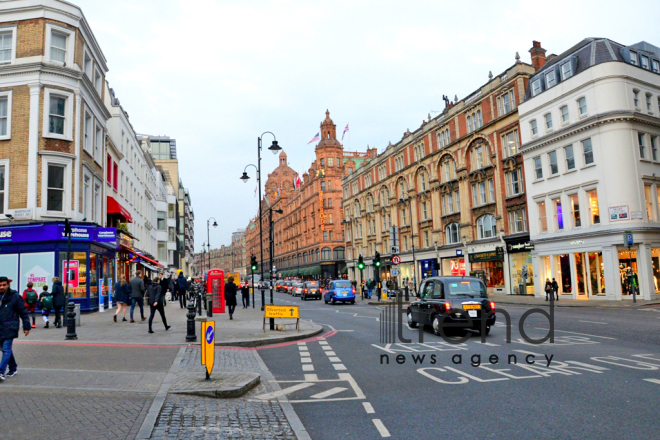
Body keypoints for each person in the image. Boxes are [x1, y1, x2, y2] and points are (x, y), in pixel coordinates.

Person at [0, 276, 31, 381]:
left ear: (8, 285)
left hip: (10, 326)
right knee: (4, 349)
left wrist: (26, 327)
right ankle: (13, 368)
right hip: (0, 327)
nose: (2, 287)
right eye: (0, 285)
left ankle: (0, 372)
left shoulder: (15, 296)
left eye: (4, 285)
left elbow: (23, 312)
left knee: (6, 349)